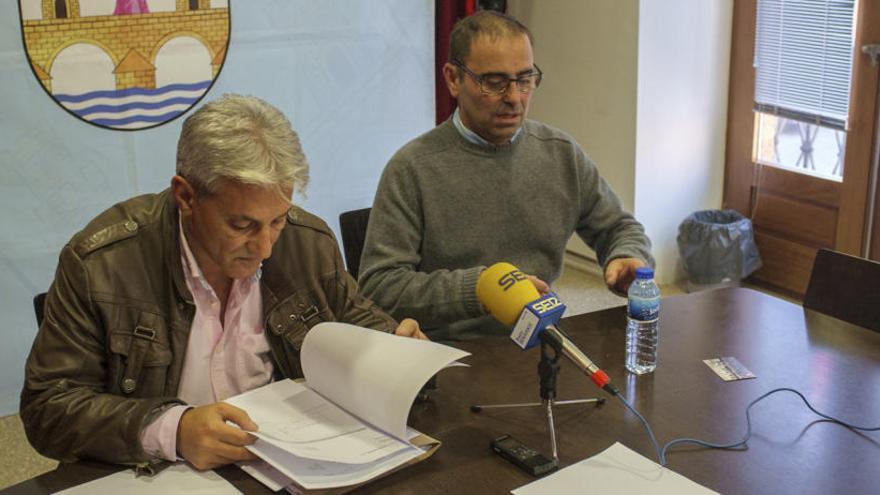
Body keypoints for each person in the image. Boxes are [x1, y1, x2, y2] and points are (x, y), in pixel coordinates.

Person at [20, 94, 426, 470]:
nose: (265, 248)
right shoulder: (102, 263)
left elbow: (358, 326)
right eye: (242, 225)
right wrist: (173, 430)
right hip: (156, 472)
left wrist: (398, 354)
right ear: (186, 197)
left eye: (277, 221)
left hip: (282, 464)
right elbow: (48, 409)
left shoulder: (308, 243)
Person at [359, 11, 653, 341]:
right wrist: (481, 289)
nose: (514, 98)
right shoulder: (412, 167)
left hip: (540, 340)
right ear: (453, 79)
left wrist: (626, 256)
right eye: (494, 83)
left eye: (525, 79)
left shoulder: (559, 153)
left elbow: (619, 227)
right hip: (448, 351)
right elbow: (380, 288)